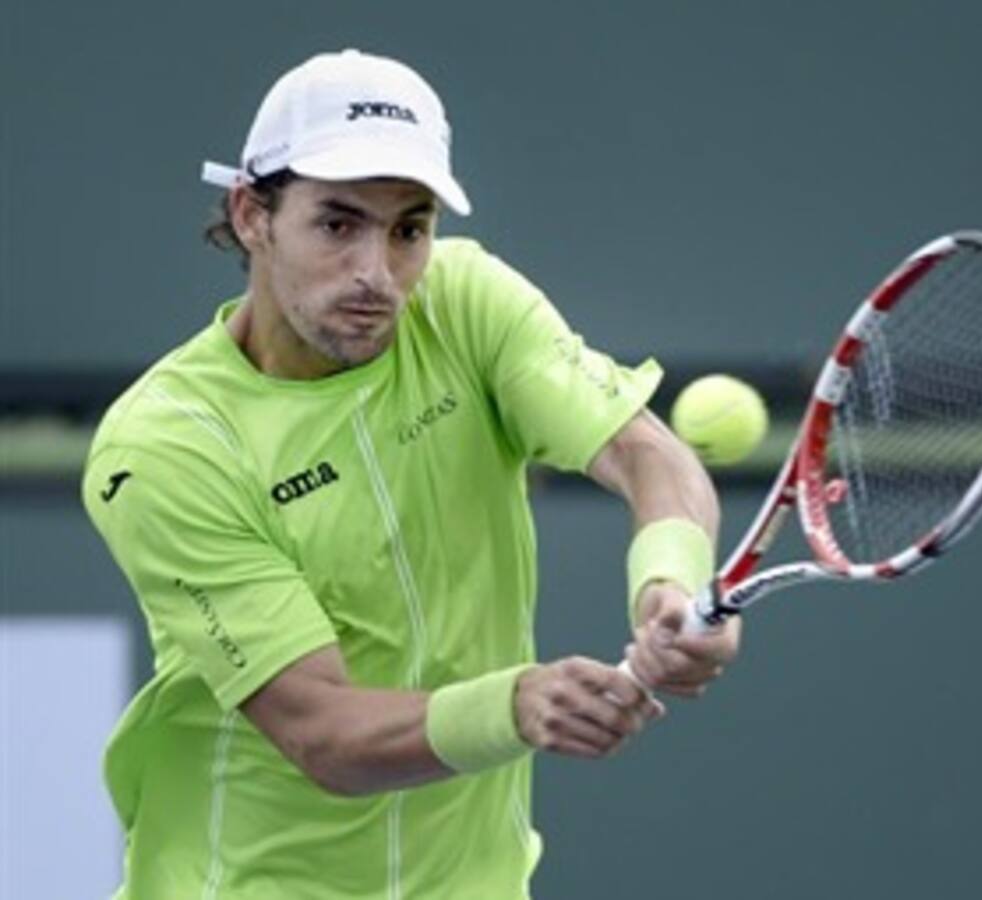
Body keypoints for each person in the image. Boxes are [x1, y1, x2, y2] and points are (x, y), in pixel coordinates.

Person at [82, 48, 739, 899]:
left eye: (409, 229)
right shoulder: (165, 447)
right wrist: (515, 704)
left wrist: (671, 584)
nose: (377, 274)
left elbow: (644, 453)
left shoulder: (465, 302)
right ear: (252, 215)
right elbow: (322, 732)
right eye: (337, 223)